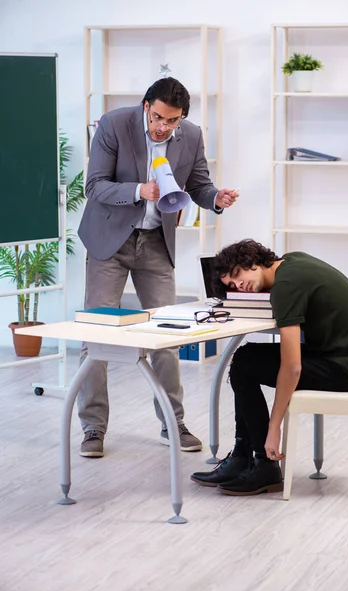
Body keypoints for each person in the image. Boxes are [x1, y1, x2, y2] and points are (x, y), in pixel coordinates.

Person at [77, 77, 238, 458]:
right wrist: (138, 190)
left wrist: (216, 198)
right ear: (146, 105)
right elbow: (94, 185)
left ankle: (172, 422)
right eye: (159, 118)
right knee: (96, 337)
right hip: (109, 241)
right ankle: (92, 428)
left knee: (169, 335)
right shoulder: (113, 124)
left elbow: (199, 184)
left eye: (173, 120)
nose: (164, 127)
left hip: (155, 243)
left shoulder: (192, 135)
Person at [191, 240, 348, 495]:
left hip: (346, 371)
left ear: (252, 260)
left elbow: (292, 366)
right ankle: (243, 456)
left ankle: (263, 463)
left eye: (238, 274)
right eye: (232, 286)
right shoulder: (292, 262)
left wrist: (274, 427)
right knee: (246, 358)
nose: (239, 285)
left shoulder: (286, 287)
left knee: (244, 365)